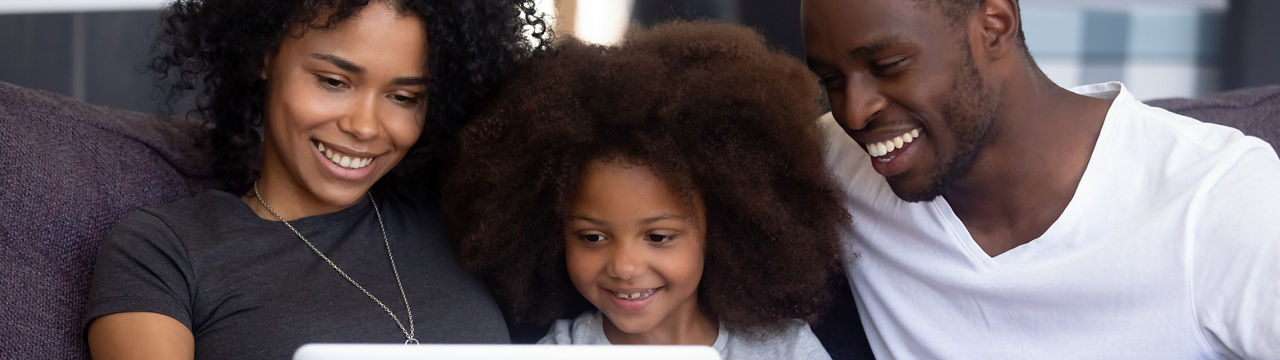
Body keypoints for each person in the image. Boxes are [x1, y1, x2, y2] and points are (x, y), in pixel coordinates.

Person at [801, 0, 1280, 358]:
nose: (855, 112)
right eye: (832, 80)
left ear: (994, 25)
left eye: (888, 67)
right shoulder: (834, 166)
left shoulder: (1218, 200)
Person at [83, 0, 548, 358]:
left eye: (404, 97)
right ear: (265, 55)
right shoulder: (164, 251)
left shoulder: (466, 219)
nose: (366, 126)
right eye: (333, 81)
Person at [441, 21, 848, 359]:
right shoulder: (561, 352)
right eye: (592, 237)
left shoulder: (782, 347)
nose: (624, 266)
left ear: (722, 229)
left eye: (658, 236)